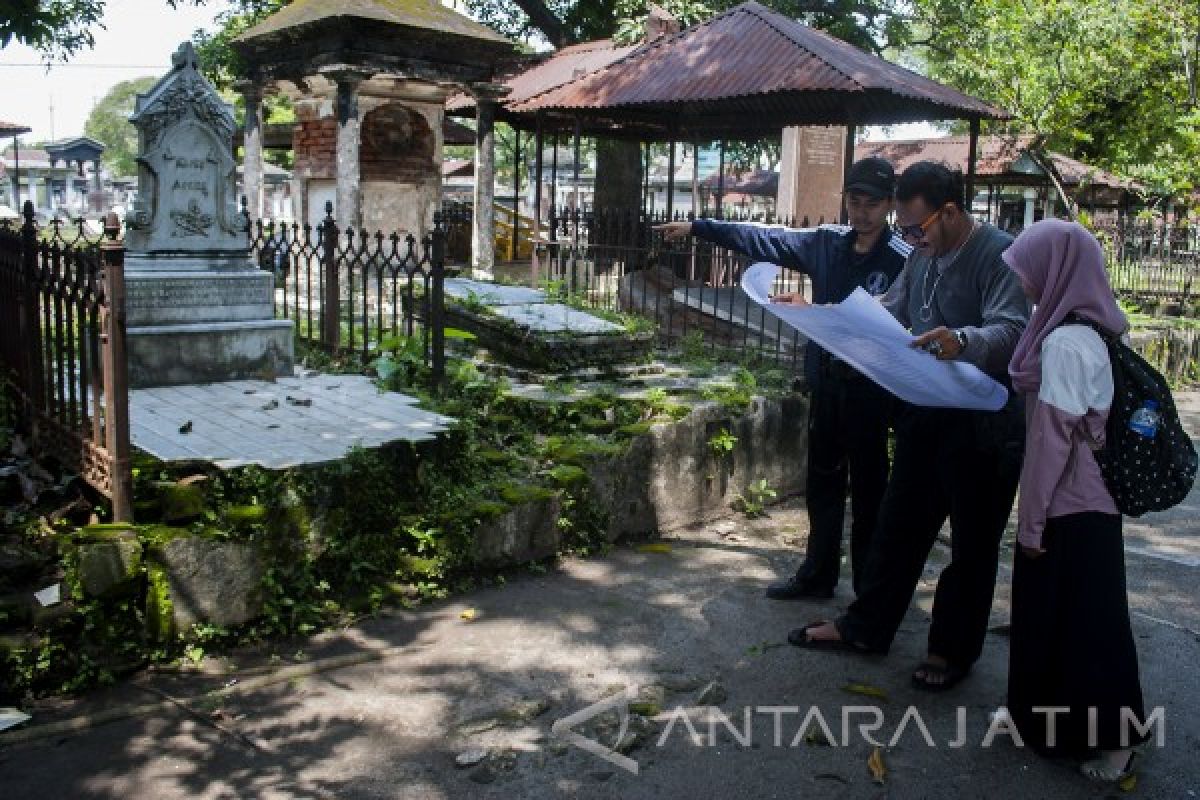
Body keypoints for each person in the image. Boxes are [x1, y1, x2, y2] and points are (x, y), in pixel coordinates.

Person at [794, 161, 1030, 692]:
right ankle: (866, 627)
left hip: (985, 423)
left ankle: (951, 650)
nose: (909, 238)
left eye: (916, 227)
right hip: (925, 411)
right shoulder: (922, 255)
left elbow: (1014, 329)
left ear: (950, 213)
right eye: (903, 228)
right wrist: (825, 315)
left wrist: (963, 340)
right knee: (898, 526)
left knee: (972, 545)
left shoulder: (999, 254)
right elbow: (891, 306)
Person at [655, 157, 909, 600]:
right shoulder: (828, 243)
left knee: (871, 493)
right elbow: (764, 237)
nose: (861, 211)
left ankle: (871, 591)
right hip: (828, 384)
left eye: (872, 203)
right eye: (854, 200)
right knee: (823, 483)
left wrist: (814, 311)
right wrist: (699, 227)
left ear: (889, 205)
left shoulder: (905, 259)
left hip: (872, 390)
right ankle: (817, 574)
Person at [1002, 219, 1148, 783]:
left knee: (1089, 628)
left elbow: (1049, 446)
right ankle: (1045, 724)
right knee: (1067, 620)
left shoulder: (1065, 343)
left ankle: (1117, 743)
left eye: (1029, 271)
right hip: (1094, 505)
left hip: (1070, 508)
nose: (1023, 283)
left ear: (1058, 270)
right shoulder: (1099, 329)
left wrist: (1030, 523)